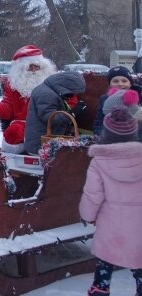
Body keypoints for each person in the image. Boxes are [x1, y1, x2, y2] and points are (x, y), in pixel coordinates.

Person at [79, 88, 142, 296]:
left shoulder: (99, 162)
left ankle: (100, 289)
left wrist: (87, 215)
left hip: (111, 226)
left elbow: (92, 195)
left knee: (105, 263)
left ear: (106, 133)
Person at [0, 45, 56, 127]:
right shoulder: (13, 85)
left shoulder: (52, 83)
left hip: (47, 128)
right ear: (20, 69)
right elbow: (8, 109)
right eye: (29, 67)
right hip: (20, 128)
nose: (34, 70)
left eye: (37, 66)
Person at [23, 70, 86, 155]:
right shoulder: (46, 94)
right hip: (41, 145)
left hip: (43, 142)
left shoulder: (50, 90)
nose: (73, 95)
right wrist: (72, 113)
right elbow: (50, 118)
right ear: (65, 86)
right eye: (72, 91)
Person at [92, 65, 137, 136]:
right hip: (109, 135)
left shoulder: (138, 98)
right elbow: (99, 120)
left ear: (130, 83)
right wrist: (100, 134)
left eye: (124, 81)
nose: (120, 84)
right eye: (115, 81)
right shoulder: (104, 99)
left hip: (133, 136)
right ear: (110, 84)